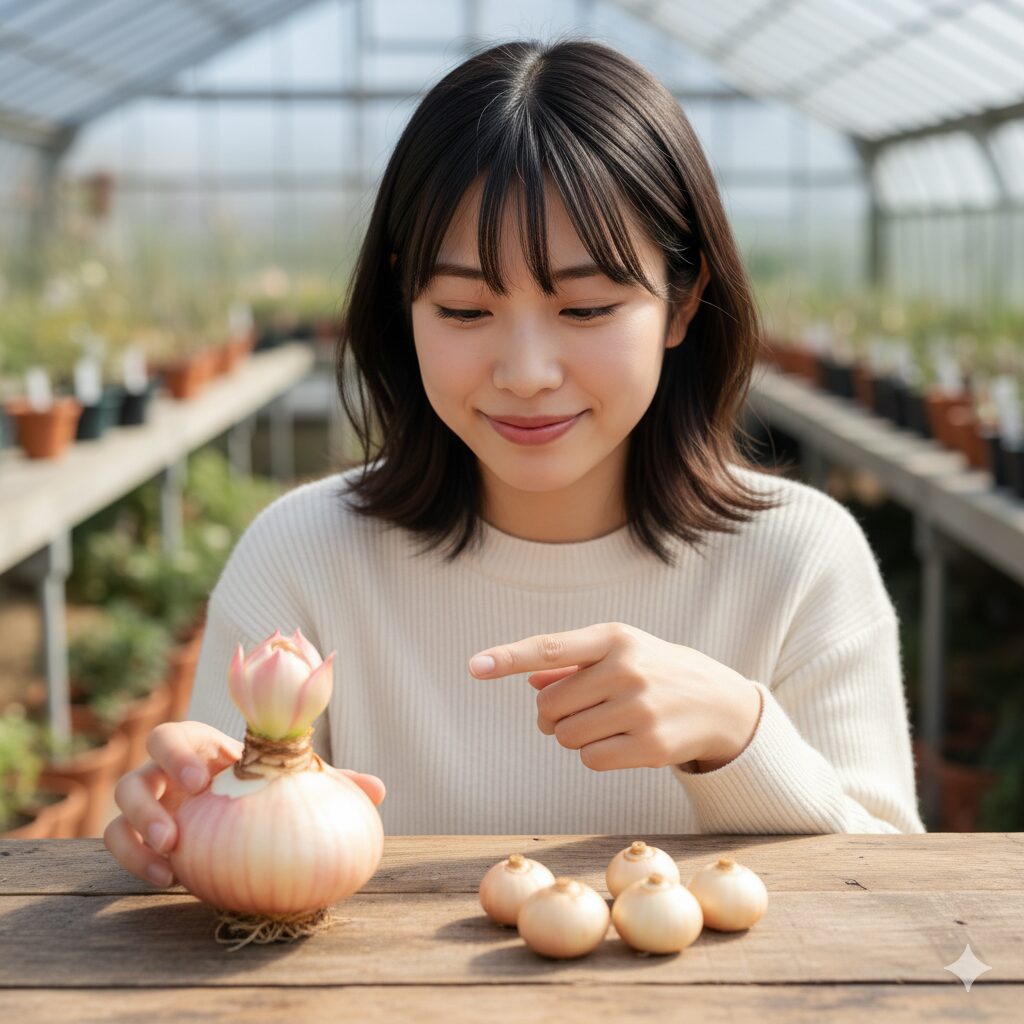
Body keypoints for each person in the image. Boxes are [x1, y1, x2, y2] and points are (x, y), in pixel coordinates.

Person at [105, 36, 925, 889]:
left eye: (586, 306)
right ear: (404, 301)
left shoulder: (800, 560)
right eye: (463, 309)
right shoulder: (305, 557)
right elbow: (233, 859)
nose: (526, 374)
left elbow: (898, 896)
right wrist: (177, 829)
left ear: (682, 302)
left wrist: (739, 733)